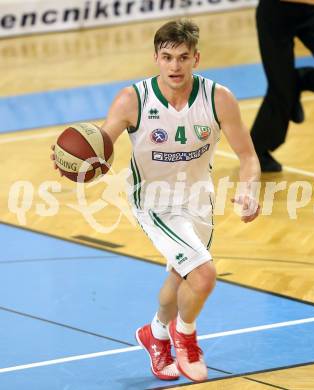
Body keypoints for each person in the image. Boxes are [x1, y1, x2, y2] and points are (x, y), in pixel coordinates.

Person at [52, 20, 261, 382]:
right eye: (167, 57)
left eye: (183, 57)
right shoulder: (133, 99)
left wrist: (250, 188)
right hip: (153, 200)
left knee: (182, 277)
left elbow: (249, 157)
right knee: (204, 274)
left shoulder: (219, 98)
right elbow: (102, 147)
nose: (175, 66)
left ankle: (156, 334)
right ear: (156, 58)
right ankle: (186, 337)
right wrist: (80, 162)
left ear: (196, 58)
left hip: (198, 198)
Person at [251, 0, 314, 172]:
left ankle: (296, 82)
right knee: (281, 89)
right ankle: (257, 151)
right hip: (275, 14)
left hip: (313, 11)